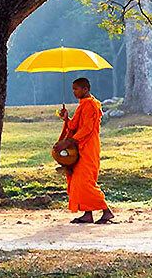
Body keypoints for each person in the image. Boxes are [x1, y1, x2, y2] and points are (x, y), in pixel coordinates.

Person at [54, 77, 115, 224]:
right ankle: (87, 214)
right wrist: (66, 118)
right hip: (78, 148)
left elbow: (87, 129)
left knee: (85, 182)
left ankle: (106, 211)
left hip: (88, 147)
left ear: (85, 89)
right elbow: (74, 126)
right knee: (77, 181)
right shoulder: (83, 104)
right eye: (73, 89)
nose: (74, 92)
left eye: (76, 89)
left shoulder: (91, 105)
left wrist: (68, 142)